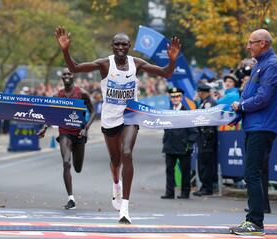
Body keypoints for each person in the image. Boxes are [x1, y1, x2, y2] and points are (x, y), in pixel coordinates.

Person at [54, 26, 181, 224]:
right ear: (112, 47)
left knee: (127, 153)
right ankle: (116, 184)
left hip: (130, 115)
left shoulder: (136, 63)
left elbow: (166, 73)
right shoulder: (105, 64)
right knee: (115, 161)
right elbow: (75, 68)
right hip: (110, 118)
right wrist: (65, 50)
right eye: (117, 44)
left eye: (124, 44)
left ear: (129, 46)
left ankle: (125, 208)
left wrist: (172, 60)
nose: (120, 47)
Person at [230, 29, 277, 236]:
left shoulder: (272, 65)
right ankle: (254, 221)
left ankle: (255, 222)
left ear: (263, 43)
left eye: (251, 42)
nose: (248, 46)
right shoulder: (260, 64)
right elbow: (250, 95)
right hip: (255, 125)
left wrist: (241, 106)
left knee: (252, 173)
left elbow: (263, 98)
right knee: (253, 173)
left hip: (262, 126)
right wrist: (236, 111)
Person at [37, 68, 96, 210]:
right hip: (64, 133)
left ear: (73, 76)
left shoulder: (81, 93)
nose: (67, 76)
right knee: (66, 162)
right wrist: (45, 127)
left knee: (78, 168)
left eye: (69, 74)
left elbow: (93, 111)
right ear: (62, 77)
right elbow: (51, 113)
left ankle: (76, 164)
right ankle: (71, 198)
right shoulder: (58, 95)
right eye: (64, 74)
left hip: (79, 134)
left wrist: (85, 128)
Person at [161, 87, 198, 200]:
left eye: (177, 96)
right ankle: (169, 192)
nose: (175, 99)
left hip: (183, 147)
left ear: (181, 98)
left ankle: (185, 193)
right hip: (170, 146)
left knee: (185, 171)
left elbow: (194, 131)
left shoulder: (187, 112)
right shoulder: (168, 112)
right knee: (169, 171)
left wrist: (189, 144)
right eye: (173, 97)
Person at [193, 84, 217, 196]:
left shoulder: (209, 103)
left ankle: (207, 187)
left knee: (206, 163)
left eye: (199, 92)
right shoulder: (204, 102)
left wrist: (207, 137)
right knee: (202, 162)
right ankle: (205, 186)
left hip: (207, 137)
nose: (198, 94)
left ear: (203, 92)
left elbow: (209, 121)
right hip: (203, 136)